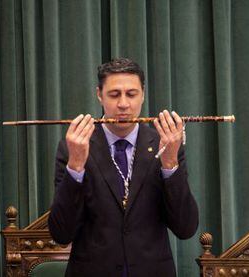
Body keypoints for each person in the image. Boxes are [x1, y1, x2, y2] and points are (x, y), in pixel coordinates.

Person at [48, 58, 199, 276]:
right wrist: (76, 166)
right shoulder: (73, 148)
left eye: (131, 94)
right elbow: (61, 234)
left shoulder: (165, 145)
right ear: (99, 94)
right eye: (114, 94)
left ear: (143, 94)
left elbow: (186, 228)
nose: (123, 104)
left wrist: (169, 163)